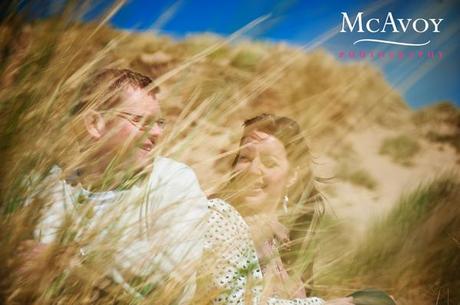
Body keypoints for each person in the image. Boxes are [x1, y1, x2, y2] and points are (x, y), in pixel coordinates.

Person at [17, 68, 208, 304]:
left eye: (159, 122)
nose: (156, 132)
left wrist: (69, 258)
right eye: (139, 120)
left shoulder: (174, 180)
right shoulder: (52, 185)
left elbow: (173, 265)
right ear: (94, 124)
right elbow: (30, 265)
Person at [203, 113, 354, 305]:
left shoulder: (282, 240)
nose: (253, 170)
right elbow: (232, 300)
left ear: (292, 176)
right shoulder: (218, 217)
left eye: (269, 162)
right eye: (245, 158)